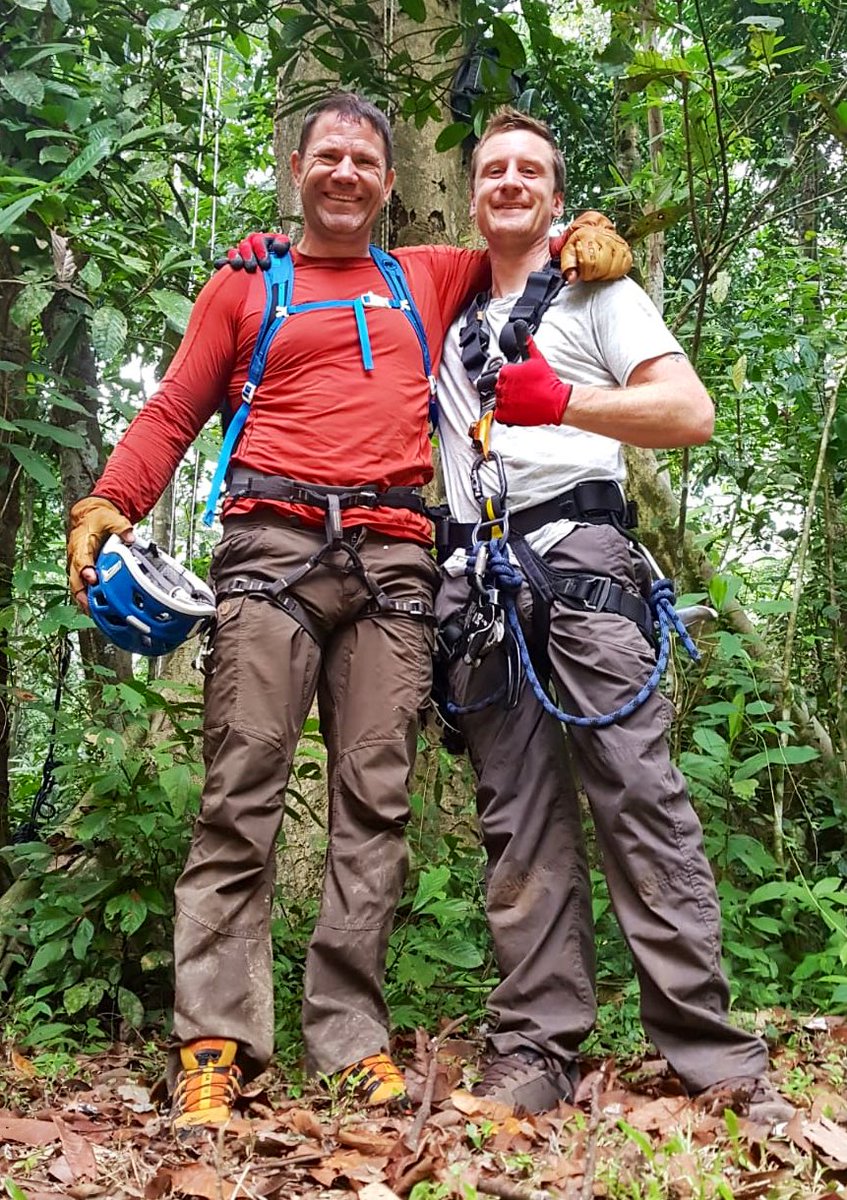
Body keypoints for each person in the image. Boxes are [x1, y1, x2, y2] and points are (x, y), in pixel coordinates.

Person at [66, 92, 630, 1133]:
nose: (345, 172)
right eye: (328, 156)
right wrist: (110, 502)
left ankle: (349, 1040)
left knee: (375, 803)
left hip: (395, 563)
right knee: (241, 789)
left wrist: (584, 233)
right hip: (269, 550)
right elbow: (176, 407)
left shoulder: (425, 276)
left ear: (386, 182)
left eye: (365, 161)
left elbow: (520, 247)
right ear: (297, 168)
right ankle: (213, 1045)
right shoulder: (245, 284)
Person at [431, 108, 795, 1125]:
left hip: (582, 562)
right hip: (477, 582)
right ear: (471, 195)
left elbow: (689, 412)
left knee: (638, 796)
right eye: (492, 170)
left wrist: (563, 404)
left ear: (554, 195)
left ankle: (712, 1054)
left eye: (529, 171)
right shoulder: (444, 305)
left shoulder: (599, 292)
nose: (509, 182)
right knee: (517, 817)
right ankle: (533, 1050)